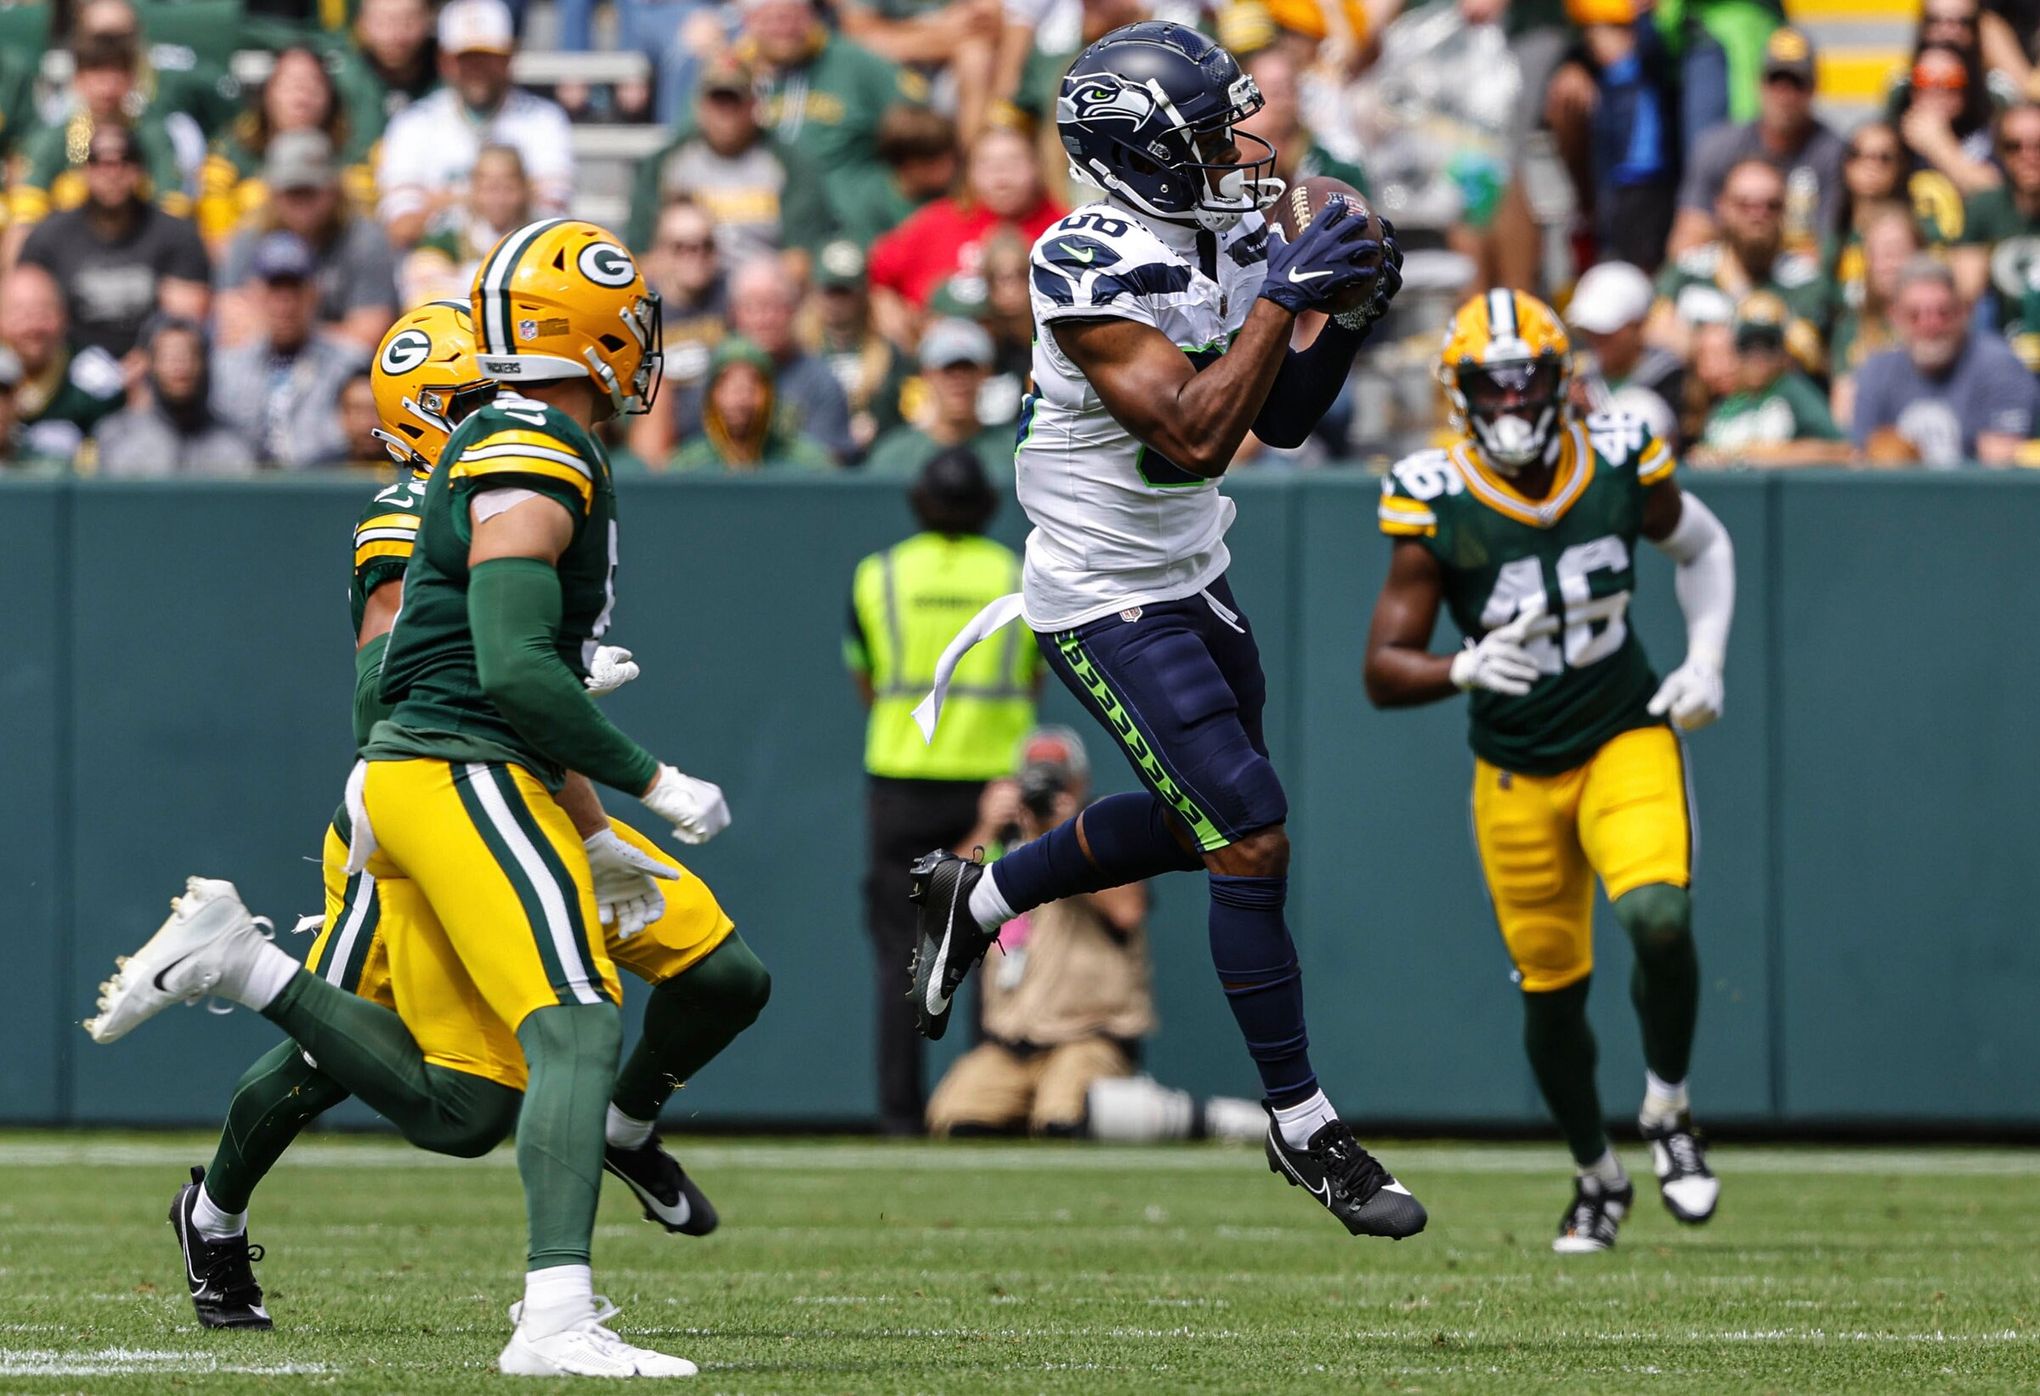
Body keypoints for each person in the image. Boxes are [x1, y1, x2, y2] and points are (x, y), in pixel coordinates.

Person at [87, 222, 738, 1376]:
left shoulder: (518, 459)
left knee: (512, 1083)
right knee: (358, 1054)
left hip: (515, 775)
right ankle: (222, 1202)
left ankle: (617, 1137)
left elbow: (506, 669)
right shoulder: (467, 480)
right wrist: (615, 740)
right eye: (455, 391)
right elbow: (416, 686)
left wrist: (596, 818)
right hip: (424, 793)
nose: (473, 398)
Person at [907, 22, 1424, 1239]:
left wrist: (1345, 315)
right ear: (1138, 156)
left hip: (1191, 563)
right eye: (1207, 134)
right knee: (1247, 830)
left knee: (1213, 826)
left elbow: (1280, 417)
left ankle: (975, 900)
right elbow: (1193, 431)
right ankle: (1305, 1127)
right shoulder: (1081, 258)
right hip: (1097, 584)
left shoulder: (1227, 228)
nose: (1240, 151)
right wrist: (1287, 296)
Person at [1365, 289, 1734, 1252]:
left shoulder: (1620, 451)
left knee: (1659, 914)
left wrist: (1707, 658)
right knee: (1552, 990)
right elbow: (1382, 669)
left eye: (1531, 379)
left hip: (1625, 729)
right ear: (1460, 393)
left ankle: (1669, 1110)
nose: (1516, 401)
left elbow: (1702, 545)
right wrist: (1462, 666)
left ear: (1563, 380)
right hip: (1517, 769)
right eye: (1494, 383)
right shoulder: (1433, 492)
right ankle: (1596, 1174)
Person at [846, 447, 1038, 1133]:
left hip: (901, 780)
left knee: (902, 954)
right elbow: (1038, 675)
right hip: (993, 786)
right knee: (991, 946)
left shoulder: (880, 575)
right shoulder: (1016, 573)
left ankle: (900, 1116)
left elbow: (865, 675)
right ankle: (987, 1107)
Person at [924, 724, 1153, 1137]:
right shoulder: (1002, 846)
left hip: (1088, 1037)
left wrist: (1066, 835)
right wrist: (986, 825)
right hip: (1011, 1044)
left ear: (1080, 784)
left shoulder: (1099, 835)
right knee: (955, 1117)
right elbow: (941, 901)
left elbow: (1127, 911)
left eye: (1057, 782)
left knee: (1062, 1118)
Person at [375, 0, 574, 247]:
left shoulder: (544, 120)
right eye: (465, 58)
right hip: (438, 271)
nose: (477, 69)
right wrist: (506, 194)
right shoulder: (413, 124)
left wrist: (444, 200)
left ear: (509, 56)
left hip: (522, 267)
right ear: (445, 61)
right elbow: (401, 228)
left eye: (488, 57)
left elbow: (551, 218)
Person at [738, 0, 931, 240]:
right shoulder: (734, 71)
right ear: (749, 22)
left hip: (847, 224)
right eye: (772, 18)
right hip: (764, 226)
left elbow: (926, 126)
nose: (784, 28)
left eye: (793, 16)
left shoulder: (853, 61)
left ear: (813, 16)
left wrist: (894, 185)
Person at [17, 123, 211, 362]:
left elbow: (184, 323)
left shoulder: (175, 235)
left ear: (140, 170)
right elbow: (22, 312)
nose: (113, 171)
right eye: (99, 161)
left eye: (125, 159)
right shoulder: (49, 237)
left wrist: (145, 363)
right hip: (68, 369)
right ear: (84, 171)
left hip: (152, 368)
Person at [633, 255, 853, 463]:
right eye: (752, 306)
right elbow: (656, 459)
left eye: (774, 305)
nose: (764, 318)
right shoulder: (707, 371)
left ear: (793, 310)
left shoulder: (820, 380)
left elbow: (828, 474)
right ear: (734, 313)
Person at [624, 53, 825, 264]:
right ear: (700, 105)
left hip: (759, 284)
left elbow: (800, 257)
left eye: (735, 100)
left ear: (754, 105)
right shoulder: (666, 162)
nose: (726, 112)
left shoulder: (788, 162)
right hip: (685, 283)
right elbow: (641, 253)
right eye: (718, 99)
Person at [215, 132, 401, 353]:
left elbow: (369, 337)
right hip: (262, 370)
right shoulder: (249, 238)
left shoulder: (364, 239)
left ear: (334, 190)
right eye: (292, 192)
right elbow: (231, 329)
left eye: (310, 191)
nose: (301, 202)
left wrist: (289, 331)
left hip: (342, 373)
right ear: (272, 193)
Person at [1671, 27, 1847, 259]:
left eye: (1797, 83)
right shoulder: (1717, 147)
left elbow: (1826, 246)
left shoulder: (1833, 154)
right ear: (1759, 85)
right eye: (1775, 80)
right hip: (1729, 272)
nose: (1784, 94)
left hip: (1796, 279)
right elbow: (1686, 242)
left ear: (1814, 89)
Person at [1851, 256, 2039, 467]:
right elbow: (1862, 457)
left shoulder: (2001, 366)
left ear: (1962, 311)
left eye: (1943, 313)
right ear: (1895, 317)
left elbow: (2001, 464)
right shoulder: (1876, 372)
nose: (1930, 325)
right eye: (1915, 315)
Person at [1650, 158, 1832, 375]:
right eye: (1745, 205)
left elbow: (1807, 354)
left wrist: (1709, 345)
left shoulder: (1805, 280)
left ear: (1786, 211)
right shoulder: (1687, 271)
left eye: (1771, 206)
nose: (1758, 215)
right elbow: (1656, 335)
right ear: (1721, 207)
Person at [8, 32, 190, 249]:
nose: (108, 86)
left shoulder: (152, 135)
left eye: (118, 72)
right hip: (67, 254)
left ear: (133, 79)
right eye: (97, 72)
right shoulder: (53, 139)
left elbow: (171, 210)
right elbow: (26, 216)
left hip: (141, 250)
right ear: (77, 79)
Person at [867, 124, 1065, 322]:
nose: (1001, 173)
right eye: (987, 164)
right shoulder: (935, 223)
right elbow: (877, 274)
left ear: (1037, 166)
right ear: (969, 172)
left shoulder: (1065, 229)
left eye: (1014, 162)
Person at [209, 233, 369, 468]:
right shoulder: (227, 369)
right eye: (275, 290)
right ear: (256, 294)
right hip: (247, 491)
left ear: (315, 293)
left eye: (295, 290)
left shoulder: (352, 363)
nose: (285, 304)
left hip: (327, 488)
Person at [197, 45, 375, 246]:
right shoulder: (229, 153)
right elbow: (218, 242)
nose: (301, 97)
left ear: (330, 97)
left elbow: (367, 237)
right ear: (267, 93)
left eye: (312, 85)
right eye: (290, 85)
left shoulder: (353, 156)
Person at [1690, 293, 1852, 466]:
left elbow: (1843, 450)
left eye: (1768, 345)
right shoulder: (1728, 402)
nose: (1758, 357)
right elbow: (1701, 453)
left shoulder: (1792, 390)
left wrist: (1762, 455)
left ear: (1782, 351)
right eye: (1748, 346)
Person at [92, 316, 257, 476]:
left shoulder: (234, 444)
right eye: (169, 355)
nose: (180, 364)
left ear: (205, 364)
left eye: (189, 354)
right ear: (150, 365)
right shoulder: (116, 437)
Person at [1, 264, 127, 465]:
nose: (33, 327)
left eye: (43, 313)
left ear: (64, 317)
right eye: (20, 314)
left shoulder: (96, 379)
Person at [865, 318, 1015, 477]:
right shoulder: (894, 457)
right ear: (927, 375)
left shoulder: (1014, 453)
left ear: (986, 374)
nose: (959, 381)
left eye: (968, 369)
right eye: (948, 370)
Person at [667, 336, 839, 473]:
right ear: (711, 395)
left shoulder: (808, 465)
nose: (741, 398)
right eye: (727, 384)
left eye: (752, 384)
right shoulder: (687, 467)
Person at [1953, 102, 2040, 369]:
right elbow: (1964, 296)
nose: (2029, 155)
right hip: (2002, 352)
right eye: (2015, 145)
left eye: (2039, 144)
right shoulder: (1986, 208)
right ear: (2001, 152)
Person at [1565, 260, 1684, 446]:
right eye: (1589, 329)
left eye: (1606, 331)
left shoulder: (1674, 379)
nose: (1596, 338)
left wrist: (1593, 414)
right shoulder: (1580, 376)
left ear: (1638, 324)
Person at [401, 143, 535, 307]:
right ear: (473, 189)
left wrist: (462, 276)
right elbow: (422, 279)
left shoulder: (540, 234)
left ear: (524, 188)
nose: (498, 199)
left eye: (508, 188)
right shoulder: (449, 233)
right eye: (489, 189)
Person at [808, 239, 910, 454]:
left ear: (863, 293)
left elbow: (909, 416)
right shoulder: (800, 351)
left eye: (844, 292)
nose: (836, 301)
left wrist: (879, 424)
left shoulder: (889, 355)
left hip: (873, 458)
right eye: (830, 291)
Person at [1830, 205, 1924, 423]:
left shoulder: (1939, 321)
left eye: (1898, 252)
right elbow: (1844, 414)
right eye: (1880, 254)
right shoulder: (1851, 327)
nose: (1889, 264)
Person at [330, 0, 442, 145]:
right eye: (383, 22)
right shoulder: (338, 75)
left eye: (408, 21)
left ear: (429, 19)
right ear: (361, 23)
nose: (396, 35)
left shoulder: (451, 70)